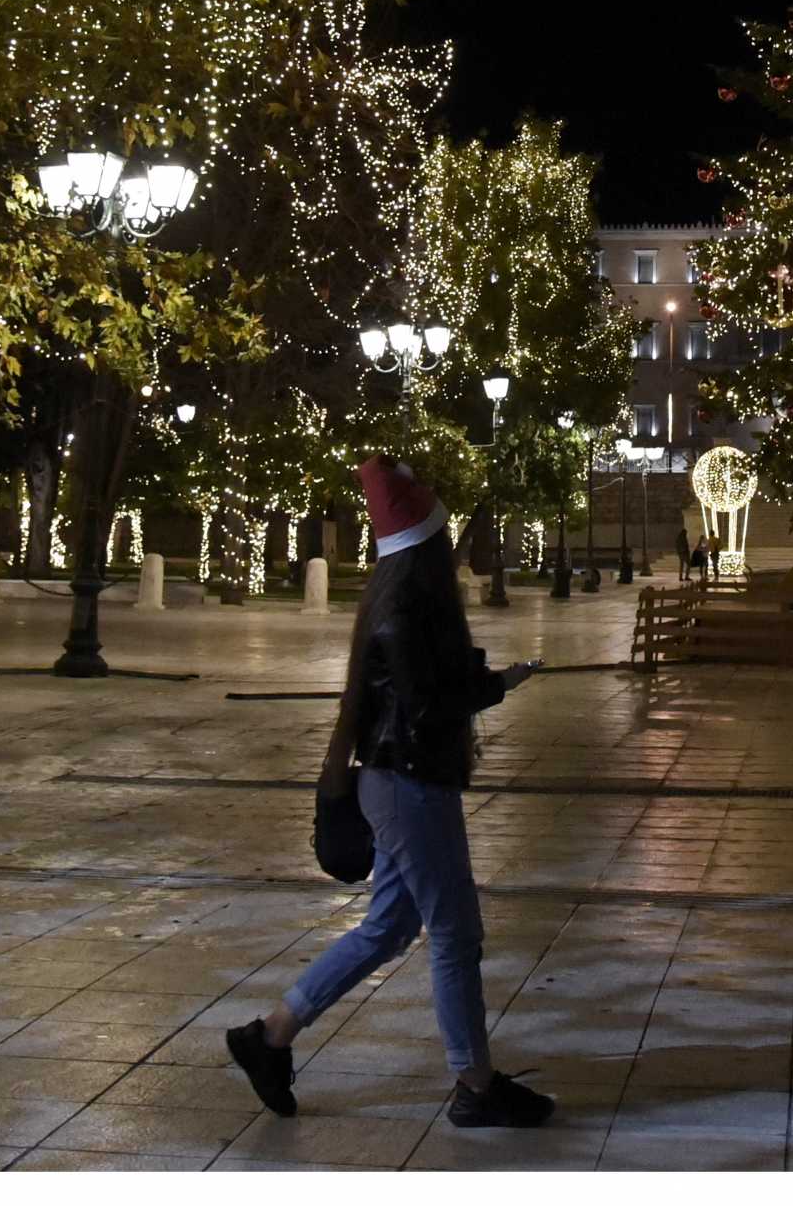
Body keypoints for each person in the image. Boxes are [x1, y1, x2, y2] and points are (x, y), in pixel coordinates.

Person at [225, 456, 554, 1128]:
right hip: (409, 783)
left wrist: (485, 677)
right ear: (429, 545)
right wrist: (495, 684)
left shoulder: (399, 600)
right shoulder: (406, 608)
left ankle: (271, 1035)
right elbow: (429, 701)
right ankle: (474, 1083)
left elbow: (424, 685)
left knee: (390, 926)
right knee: (455, 933)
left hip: (400, 779)